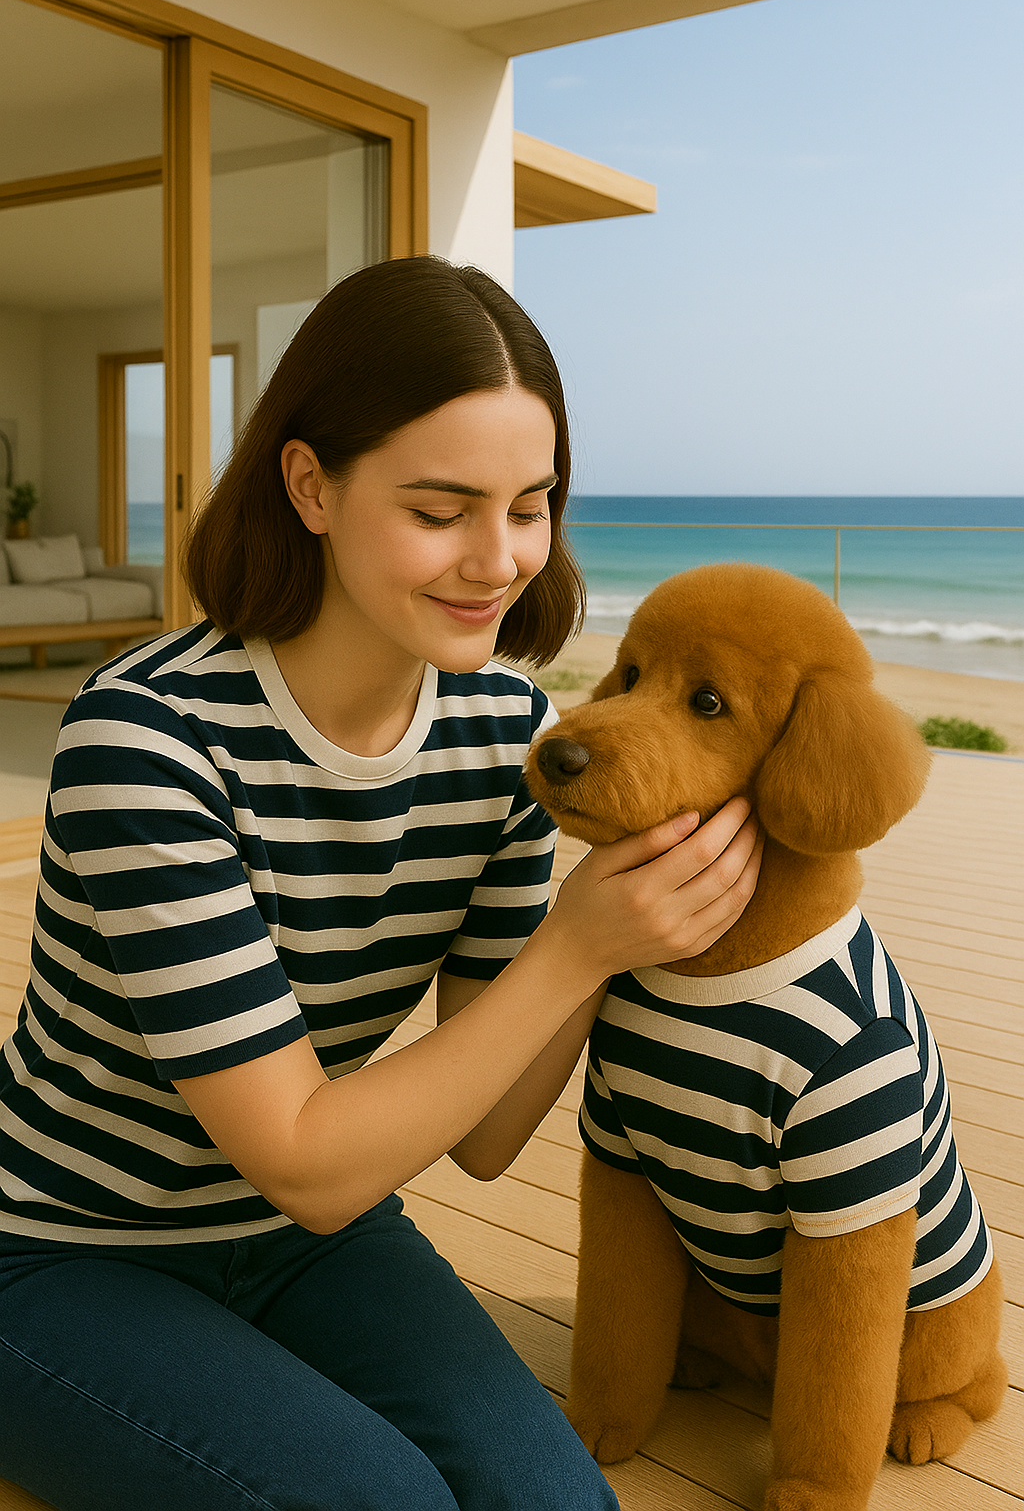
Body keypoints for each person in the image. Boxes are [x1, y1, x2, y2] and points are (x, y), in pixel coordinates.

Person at [0, 256, 761, 1511]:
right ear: (310, 484)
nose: (500, 557)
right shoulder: (147, 744)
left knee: (558, 1504)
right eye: (441, 507)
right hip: (64, 1250)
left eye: (531, 504)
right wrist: (574, 949)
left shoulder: (506, 732)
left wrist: (620, 907)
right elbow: (305, 1157)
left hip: (305, 1245)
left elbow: (487, 1134)